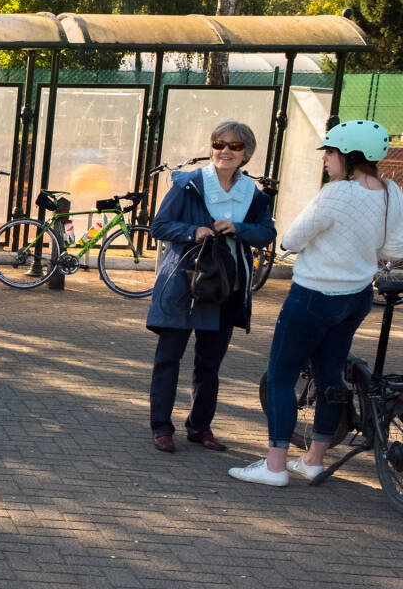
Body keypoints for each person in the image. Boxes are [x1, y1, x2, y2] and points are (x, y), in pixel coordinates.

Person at [233, 120, 403, 486]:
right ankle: (313, 460)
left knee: (281, 376)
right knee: (330, 376)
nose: (325, 158)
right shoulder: (391, 191)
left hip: (314, 295)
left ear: (350, 155)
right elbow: (393, 248)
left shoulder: (336, 192)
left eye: (330, 151)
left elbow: (291, 240)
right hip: (357, 297)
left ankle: (275, 466)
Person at [145, 122, 276, 453]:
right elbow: (159, 225)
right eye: (219, 143)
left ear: (247, 154)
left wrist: (239, 228)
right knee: (168, 358)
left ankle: (200, 427)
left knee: (209, 365)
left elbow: (266, 233)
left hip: (225, 289)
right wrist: (193, 231)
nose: (225, 151)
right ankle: (161, 427)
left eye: (234, 146)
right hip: (183, 284)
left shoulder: (253, 195)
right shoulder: (188, 184)